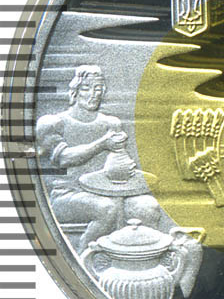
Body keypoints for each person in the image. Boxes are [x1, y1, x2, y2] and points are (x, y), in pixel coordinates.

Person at [37, 65, 161, 253]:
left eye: (97, 88)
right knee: (106, 208)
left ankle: (142, 257)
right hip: (68, 195)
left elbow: (119, 161)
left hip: (109, 192)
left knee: (147, 207)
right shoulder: (54, 123)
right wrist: (102, 144)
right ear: (75, 91)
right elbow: (64, 158)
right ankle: (84, 257)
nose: (93, 94)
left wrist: (125, 165)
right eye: (86, 88)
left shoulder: (110, 123)